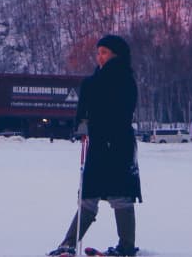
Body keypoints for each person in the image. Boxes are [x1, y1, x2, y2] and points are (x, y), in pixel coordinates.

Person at [48, 34, 141, 257]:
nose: (100, 57)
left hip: (118, 145)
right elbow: (84, 111)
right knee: (89, 196)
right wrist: (82, 124)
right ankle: (68, 244)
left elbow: (122, 111)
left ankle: (126, 246)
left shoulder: (124, 80)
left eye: (105, 52)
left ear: (116, 55)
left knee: (120, 196)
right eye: (98, 52)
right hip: (100, 144)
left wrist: (91, 120)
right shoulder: (92, 81)